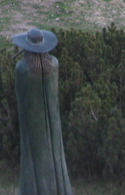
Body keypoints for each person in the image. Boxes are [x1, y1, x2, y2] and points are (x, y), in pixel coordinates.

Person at [13, 27, 73, 195]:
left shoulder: (23, 69)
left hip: (32, 123)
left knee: (33, 160)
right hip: (53, 121)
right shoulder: (54, 64)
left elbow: (21, 94)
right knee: (56, 155)